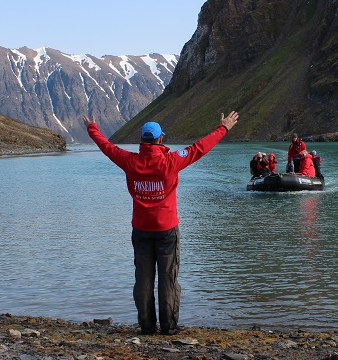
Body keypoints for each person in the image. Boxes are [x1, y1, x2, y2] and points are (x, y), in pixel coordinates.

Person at [82, 111, 239, 336]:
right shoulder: (171, 161)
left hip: (141, 229)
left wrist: (92, 129)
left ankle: (146, 326)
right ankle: (168, 326)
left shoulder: (130, 161)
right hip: (166, 230)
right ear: (160, 139)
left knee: (143, 279)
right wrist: (223, 128)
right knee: (168, 278)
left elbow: (107, 147)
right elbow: (199, 148)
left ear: (142, 140)